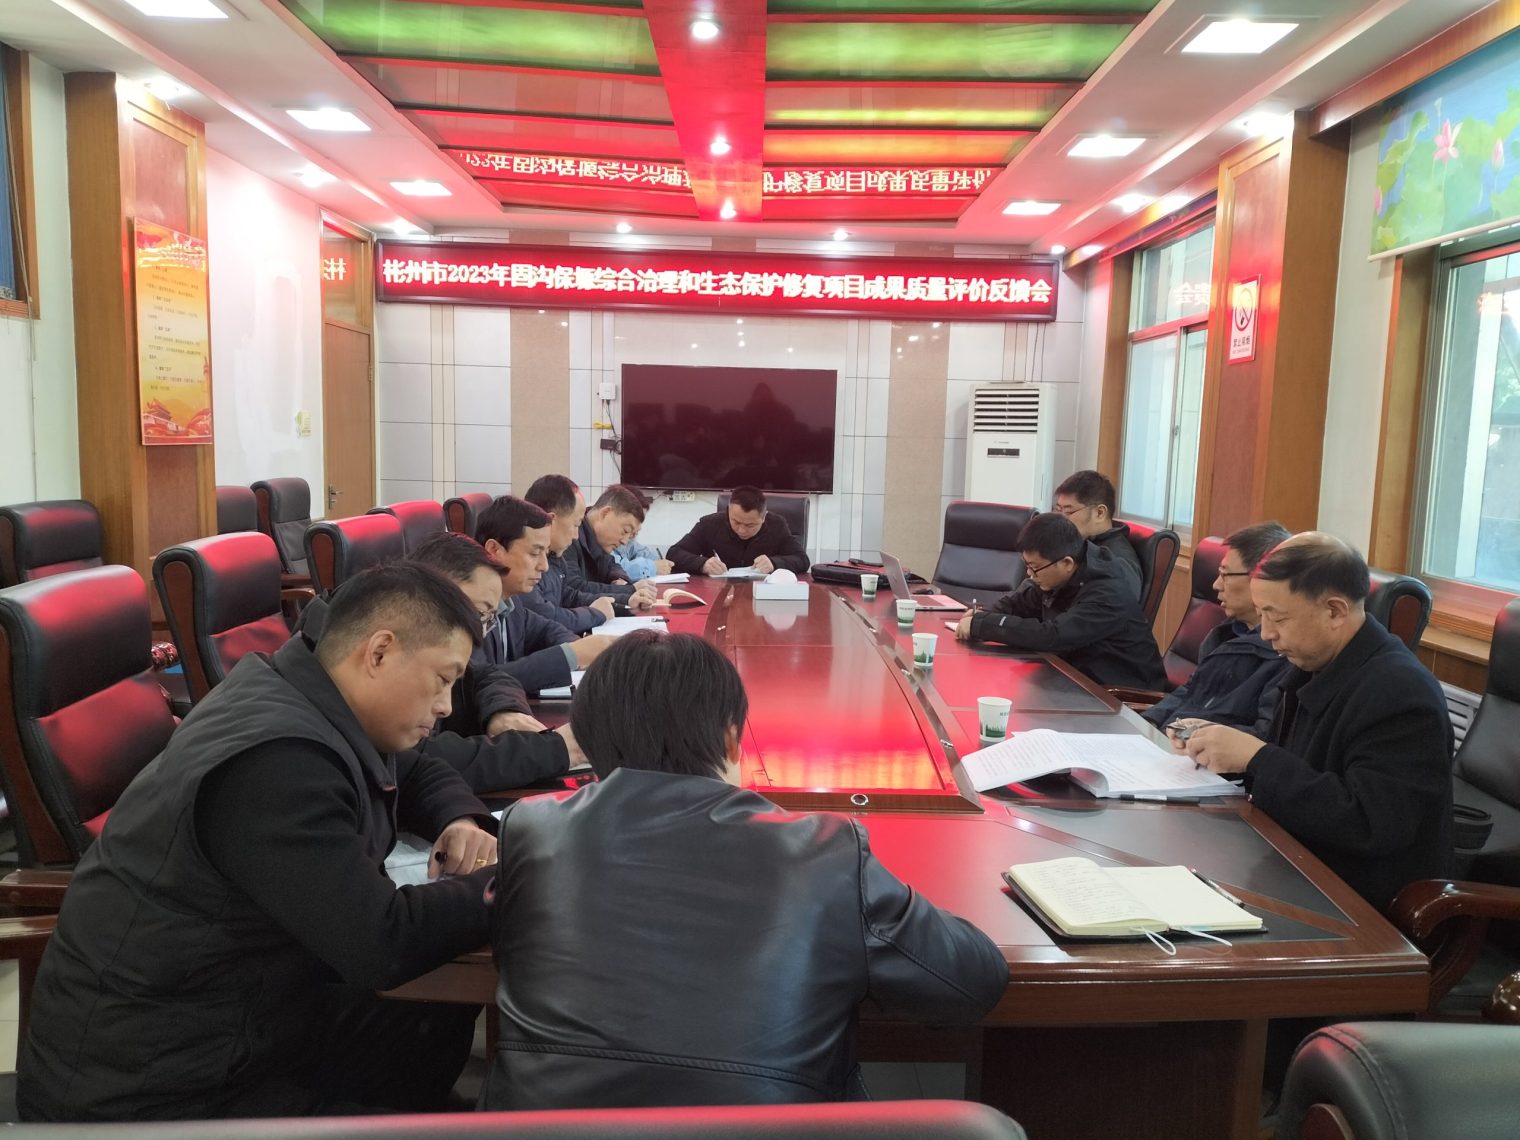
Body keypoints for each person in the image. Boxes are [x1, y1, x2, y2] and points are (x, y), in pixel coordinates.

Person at [20, 564, 501, 1121]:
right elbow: (382, 942)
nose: (445, 706)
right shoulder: (278, 762)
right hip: (159, 1089)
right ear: (379, 652)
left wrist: (460, 818)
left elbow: (414, 769)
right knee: (432, 1029)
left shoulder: (307, 690)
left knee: (436, 1017)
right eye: (442, 679)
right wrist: (523, 874)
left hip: (243, 1016)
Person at [479, 631, 1008, 1110]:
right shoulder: (822, 849)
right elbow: (972, 982)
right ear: (733, 740)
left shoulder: (532, 827)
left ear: (588, 745)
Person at [1181, 533, 1452, 911]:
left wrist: (1256, 758)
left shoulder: (1401, 693)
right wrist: (1222, 749)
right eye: (1261, 615)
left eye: (1277, 617)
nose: (1266, 633)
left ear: (1335, 611)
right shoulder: (1313, 664)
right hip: (1289, 862)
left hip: (1354, 904)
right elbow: (1296, 771)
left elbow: (1368, 824)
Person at [292, 533, 576, 793]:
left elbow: (486, 675)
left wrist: (502, 711)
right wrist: (555, 749)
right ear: (433, 594)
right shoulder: (338, 668)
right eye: (477, 613)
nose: (479, 633)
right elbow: (412, 761)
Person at [955, 511, 1166, 690]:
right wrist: (983, 615)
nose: (1029, 574)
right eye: (1027, 565)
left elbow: (1053, 636)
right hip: (1074, 678)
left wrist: (983, 625)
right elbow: (1018, 604)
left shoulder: (1107, 591)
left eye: (1035, 567)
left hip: (1119, 694)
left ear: (1066, 563)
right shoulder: (1060, 574)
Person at [1143, 521, 1293, 737]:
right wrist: (1149, 722)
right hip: (1172, 743)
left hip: (1204, 753)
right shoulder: (1225, 634)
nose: (1216, 585)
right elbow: (1191, 691)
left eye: (1225, 575)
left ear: (1262, 580)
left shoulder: (1286, 654)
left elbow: (1264, 736)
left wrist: (1191, 735)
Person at [474, 495, 615, 693]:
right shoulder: (470, 607)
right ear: (494, 550)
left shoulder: (512, 599)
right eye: (534, 553)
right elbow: (480, 682)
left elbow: (544, 629)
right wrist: (571, 655)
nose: (544, 566)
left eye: (546, 553)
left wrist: (579, 646)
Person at [523, 474, 653, 632]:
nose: (575, 536)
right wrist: (595, 614)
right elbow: (545, 619)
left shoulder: (555, 555)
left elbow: (569, 596)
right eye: (575, 524)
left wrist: (625, 602)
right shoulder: (551, 552)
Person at [666, 485, 811, 576]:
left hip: (761, 592)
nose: (741, 530)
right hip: (718, 592)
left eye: (750, 525)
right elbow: (674, 554)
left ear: (763, 517)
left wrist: (774, 563)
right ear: (728, 511)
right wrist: (702, 564)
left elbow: (802, 560)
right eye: (736, 522)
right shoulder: (709, 524)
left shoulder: (776, 525)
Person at [1052, 469, 1141, 595]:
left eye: (1068, 512)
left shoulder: (1118, 562)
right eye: (1058, 510)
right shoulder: (1076, 544)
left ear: (1100, 513)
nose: (1060, 519)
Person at [571, 484, 656, 603]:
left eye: (630, 535)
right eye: (625, 531)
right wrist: (629, 590)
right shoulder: (570, 538)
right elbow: (575, 587)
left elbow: (611, 565)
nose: (624, 541)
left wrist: (619, 579)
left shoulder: (599, 541)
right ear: (605, 513)